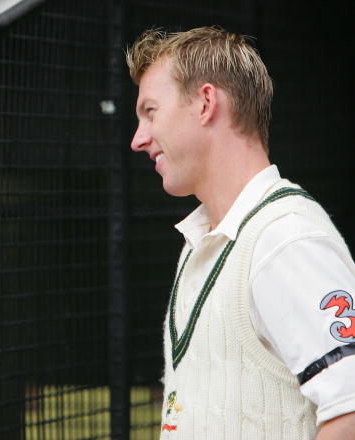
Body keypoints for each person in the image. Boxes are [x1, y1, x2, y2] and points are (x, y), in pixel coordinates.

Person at [127, 26, 355, 439]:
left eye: (150, 112)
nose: (138, 139)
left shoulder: (286, 237)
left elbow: (351, 412)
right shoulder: (201, 244)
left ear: (206, 103)